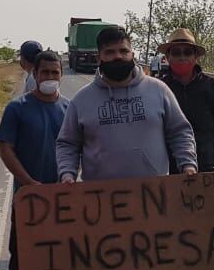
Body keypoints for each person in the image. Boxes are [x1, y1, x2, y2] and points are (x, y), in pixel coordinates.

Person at [55, 25, 197, 182]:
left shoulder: (159, 90)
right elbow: (67, 144)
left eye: (123, 51)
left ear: (132, 55)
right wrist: (67, 174)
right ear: (98, 58)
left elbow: (180, 132)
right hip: (99, 199)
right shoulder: (81, 100)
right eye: (110, 52)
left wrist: (188, 165)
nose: (118, 57)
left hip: (153, 197)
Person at [0, 50, 70, 270]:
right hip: (27, 200)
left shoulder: (69, 108)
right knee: (21, 261)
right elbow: (6, 149)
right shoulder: (17, 108)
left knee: (62, 260)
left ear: (61, 75)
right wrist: (29, 183)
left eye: (55, 73)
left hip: (62, 200)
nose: (50, 78)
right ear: (35, 75)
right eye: (45, 73)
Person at [157, 28, 214, 173]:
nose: (182, 57)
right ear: (167, 56)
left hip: (210, 167)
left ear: (196, 56)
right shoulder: (158, 89)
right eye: (176, 52)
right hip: (171, 169)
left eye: (187, 52)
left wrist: (210, 149)